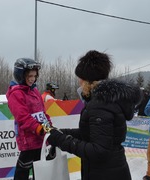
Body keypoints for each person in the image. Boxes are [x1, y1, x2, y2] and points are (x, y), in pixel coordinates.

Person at [46, 50, 142, 180]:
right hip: (110, 170)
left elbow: (99, 151)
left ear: (88, 81)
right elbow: (92, 134)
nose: (79, 81)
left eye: (81, 78)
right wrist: (60, 132)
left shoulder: (100, 105)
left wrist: (61, 140)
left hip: (105, 173)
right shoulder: (104, 101)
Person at [6, 58, 52, 180]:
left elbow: (42, 113)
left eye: (34, 76)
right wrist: (38, 128)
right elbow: (22, 117)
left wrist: (49, 127)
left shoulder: (35, 91)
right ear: (21, 75)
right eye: (29, 76)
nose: (32, 79)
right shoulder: (16, 94)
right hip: (28, 139)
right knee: (24, 168)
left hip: (40, 138)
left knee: (39, 167)